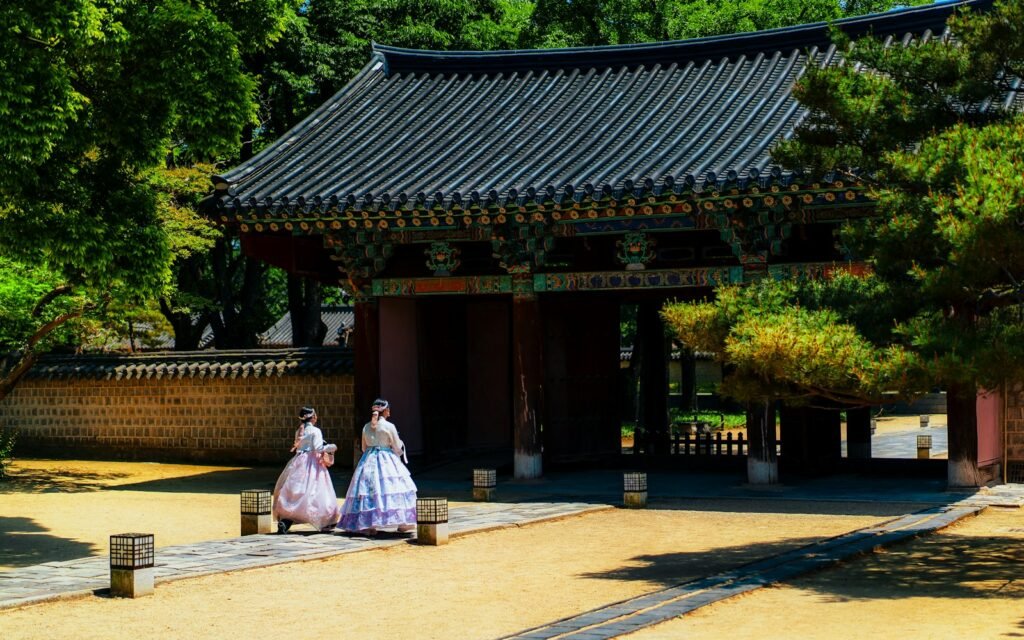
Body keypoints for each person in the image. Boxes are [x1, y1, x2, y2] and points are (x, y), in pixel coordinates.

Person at [337, 398, 417, 536]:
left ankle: (367, 525)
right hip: (386, 458)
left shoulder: (366, 427)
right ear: (385, 410)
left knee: (367, 490)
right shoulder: (389, 426)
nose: (389, 413)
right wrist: (398, 451)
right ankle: (404, 523)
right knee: (392, 488)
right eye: (388, 410)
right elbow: (397, 447)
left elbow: (363, 447)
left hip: (368, 459)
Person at [273, 407, 341, 533]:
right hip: (312, 463)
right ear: (313, 417)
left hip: (299, 461)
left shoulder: (299, 431)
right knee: (316, 490)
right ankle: (325, 521)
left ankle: (287, 520)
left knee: (296, 490)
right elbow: (318, 448)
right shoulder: (315, 431)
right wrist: (332, 447)